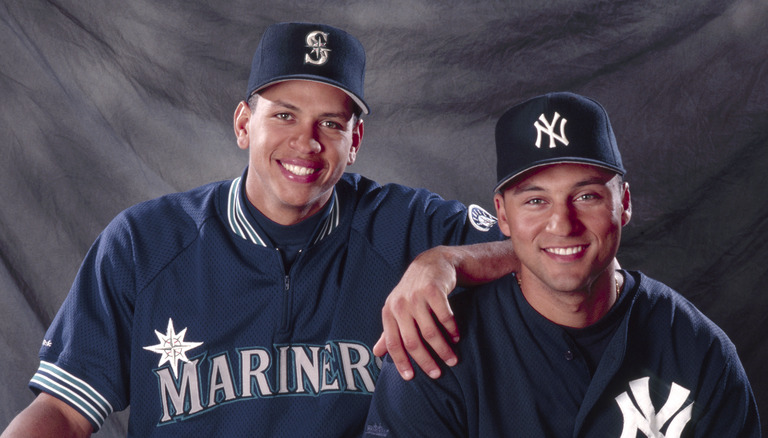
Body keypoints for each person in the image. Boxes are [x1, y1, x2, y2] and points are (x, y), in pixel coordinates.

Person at [1, 22, 517, 437]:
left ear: (355, 139)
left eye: (330, 124)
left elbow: (563, 254)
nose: (307, 142)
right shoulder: (144, 242)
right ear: (245, 123)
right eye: (285, 116)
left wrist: (445, 261)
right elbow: (65, 415)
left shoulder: (404, 225)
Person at [363, 92, 761, 437]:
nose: (562, 224)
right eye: (536, 200)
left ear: (623, 204)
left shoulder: (696, 349)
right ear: (502, 215)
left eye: (586, 196)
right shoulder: (438, 354)